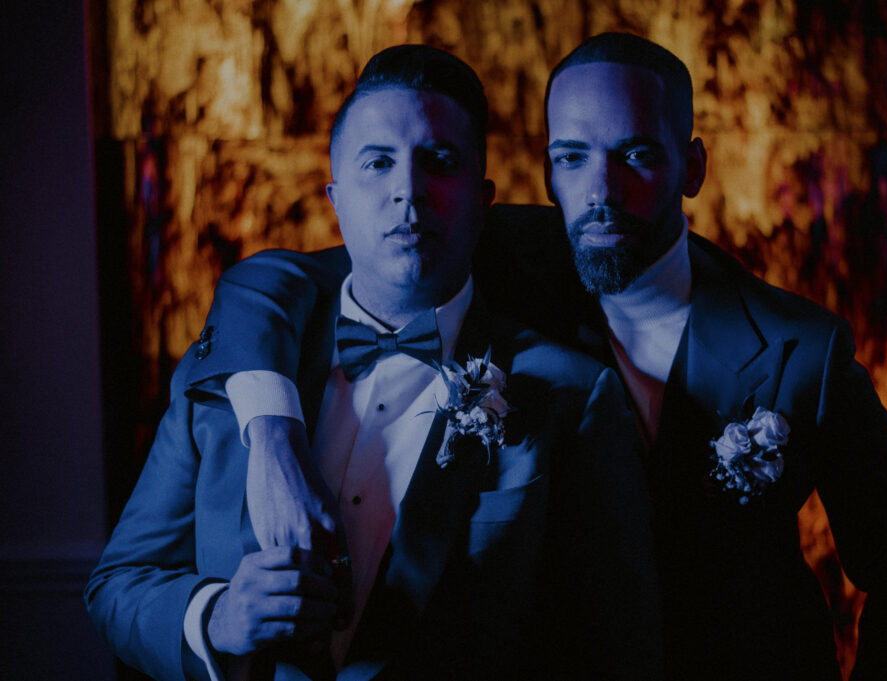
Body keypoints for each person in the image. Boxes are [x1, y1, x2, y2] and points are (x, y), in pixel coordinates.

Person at [183, 34, 887, 680]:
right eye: (573, 156)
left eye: (636, 155)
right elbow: (270, 279)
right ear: (548, 168)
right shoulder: (498, 254)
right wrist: (274, 434)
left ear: (692, 167)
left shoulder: (801, 349)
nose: (601, 189)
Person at [85, 45, 662, 681]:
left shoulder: (574, 394)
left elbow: (615, 652)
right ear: (334, 196)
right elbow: (119, 585)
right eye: (378, 162)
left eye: (439, 162)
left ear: (483, 199)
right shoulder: (232, 374)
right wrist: (217, 619)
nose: (407, 191)